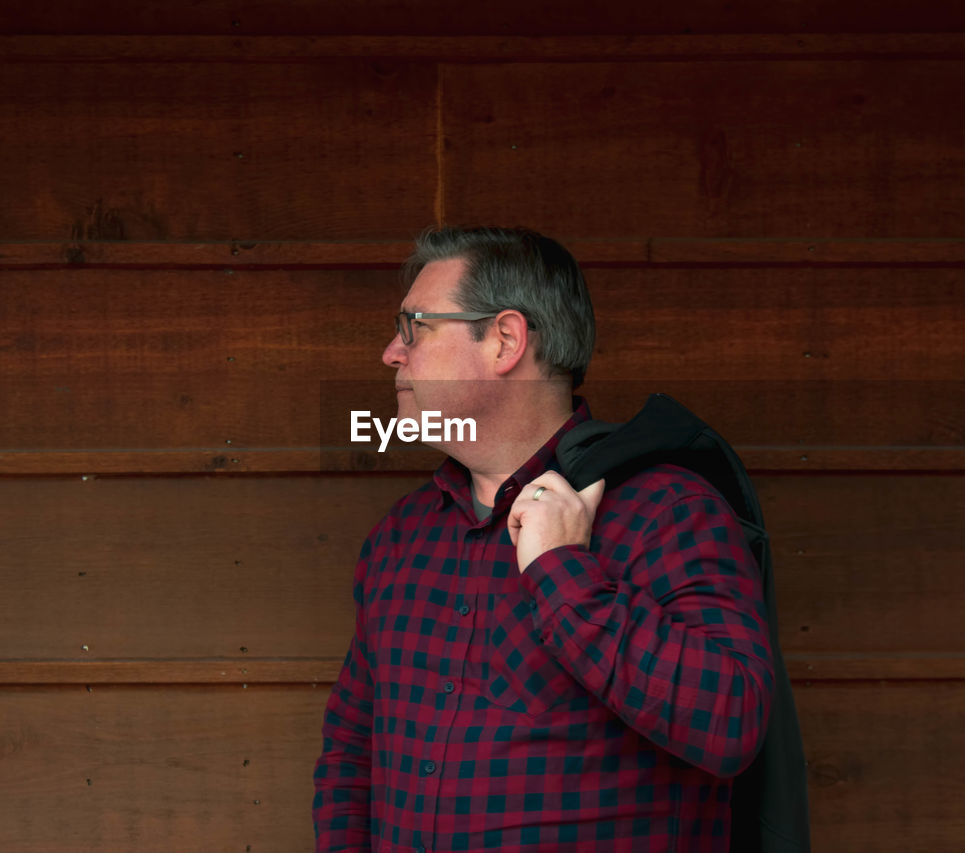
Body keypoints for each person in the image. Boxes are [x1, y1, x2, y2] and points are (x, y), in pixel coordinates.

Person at [313, 226, 774, 852]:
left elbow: (731, 722)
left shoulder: (665, 512)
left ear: (505, 339)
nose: (392, 353)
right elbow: (351, 751)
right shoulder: (402, 538)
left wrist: (564, 575)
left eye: (414, 327)